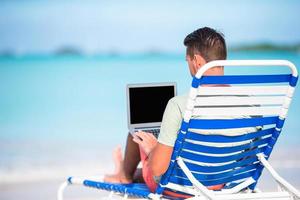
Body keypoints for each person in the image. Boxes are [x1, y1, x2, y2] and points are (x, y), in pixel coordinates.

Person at [104, 27, 227, 196]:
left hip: (178, 187)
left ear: (197, 61)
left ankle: (124, 175)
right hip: (219, 184)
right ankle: (127, 172)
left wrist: (154, 148)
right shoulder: (248, 103)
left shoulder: (180, 105)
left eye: (187, 60)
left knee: (138, 135)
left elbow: (157, 169)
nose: (188, 65)